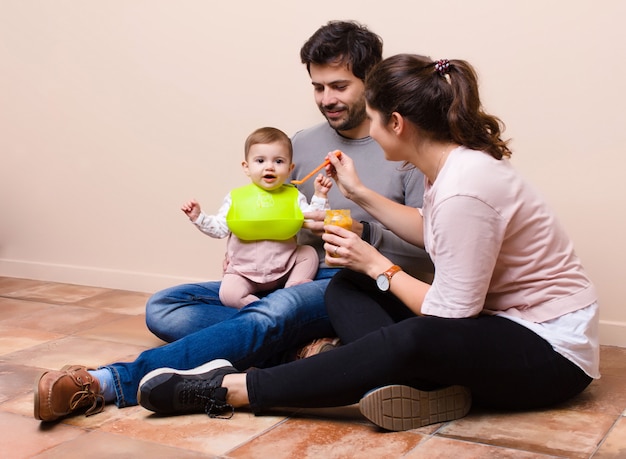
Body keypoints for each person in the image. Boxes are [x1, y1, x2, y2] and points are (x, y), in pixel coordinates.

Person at [136, 54, 599, 432]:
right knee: (347, 287)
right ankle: (409, 383)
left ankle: (230, 389)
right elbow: (430, 229)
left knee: (414, 329)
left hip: (549, 352)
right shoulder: (451, 169)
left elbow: (449, 315)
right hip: (495, 324)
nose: (368, 131)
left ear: (396, 123)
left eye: (374, 120)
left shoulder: (465, 188)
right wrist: (358, 194)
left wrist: (377, 262)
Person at [33, 21, 433, 422]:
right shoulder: (304, 143)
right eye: (317, 87)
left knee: (274, 312)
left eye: (339, 86)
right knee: (166, 306)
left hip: (354, 283)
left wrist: (363, 233)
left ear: (372, 80)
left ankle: (106, 382)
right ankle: (298, 349)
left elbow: (428, 250)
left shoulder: (400, 145)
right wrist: (244, 248)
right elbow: (275, 210)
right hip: (290, 273)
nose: (326, 99)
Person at [182, 126, 331, 309]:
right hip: (243, 272)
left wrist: (320, 195)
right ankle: (266, 308)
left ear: (290, 168)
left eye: (278, 161)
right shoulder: (235, 198)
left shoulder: (295, 196)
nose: (269, 166)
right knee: (227, 294)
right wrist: (199, 217)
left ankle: (291, 291)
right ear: (246, 167)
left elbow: (314, 219)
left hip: (286, 267)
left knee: (308, 254)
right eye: (260, 160)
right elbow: (220, 229)